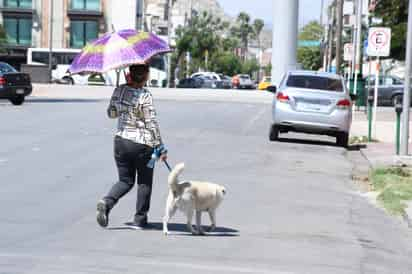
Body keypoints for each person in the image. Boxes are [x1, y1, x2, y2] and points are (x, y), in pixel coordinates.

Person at [96, 63, 167, 229]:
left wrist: (117, 103)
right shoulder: (145, 95)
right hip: (142, 145)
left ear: (131, 73)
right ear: (146, 76)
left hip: (121, 142)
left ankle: (107, 202)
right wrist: (160, 147)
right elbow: (151, 123)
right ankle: (139, 219)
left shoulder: (119, 90)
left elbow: (111, 114)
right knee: (144, 182)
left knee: (125, 181)